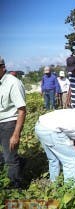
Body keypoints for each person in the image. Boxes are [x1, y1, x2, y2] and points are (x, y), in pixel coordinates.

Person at [0, 56, 26, 188]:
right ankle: (21, 162)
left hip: (9, 124)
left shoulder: (13, 83)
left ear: (2, 68)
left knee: (10, 159)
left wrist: (16, 134)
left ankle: (15, 187)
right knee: (6, 155)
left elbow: (21, 110)